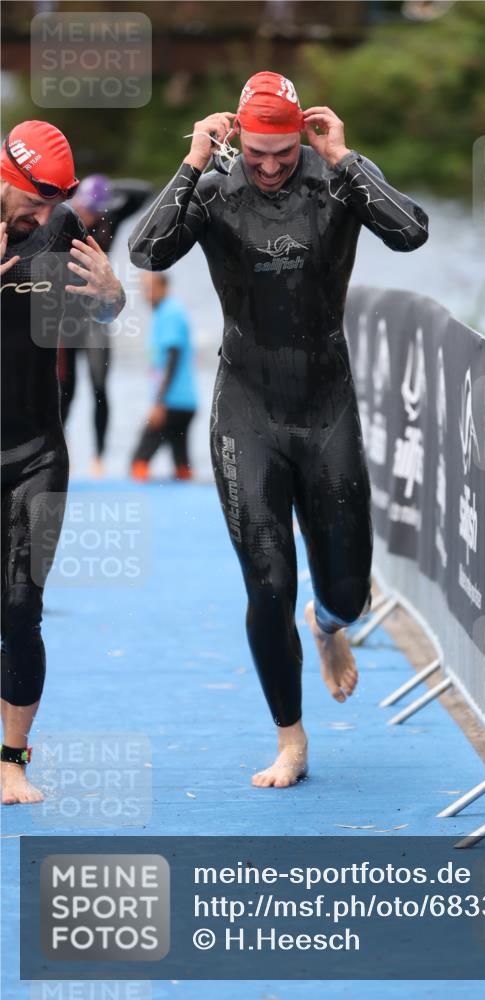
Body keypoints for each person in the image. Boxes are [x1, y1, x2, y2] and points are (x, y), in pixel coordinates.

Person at [129, 71, 429, 788]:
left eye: (282, 153)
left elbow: (412, 232)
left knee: (349, 592)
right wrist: (194, 159)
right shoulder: (211, 189)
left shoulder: (338, 182)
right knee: (265, 586)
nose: (267, 167)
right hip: (248, 411)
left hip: (326, 407)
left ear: (304, 135)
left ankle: (326, 629)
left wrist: (347, 158)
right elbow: (146, 253)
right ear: (236, 134)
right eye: (255, 152)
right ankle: (290, 740)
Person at [1, 121, 125, 804]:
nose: (45, 217)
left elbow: (106, 312)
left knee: (21, 608)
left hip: (38, 453)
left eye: (57, 202)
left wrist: (112, 296)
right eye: (34, 200)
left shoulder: (66, 228)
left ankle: (11, 758)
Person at [58, 174, 153, 477]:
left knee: (100, 387)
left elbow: (144, 190)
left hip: (96, 315)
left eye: (93, 208)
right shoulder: (63, 219)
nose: (89, 214)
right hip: (65, 317)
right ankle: (62, 448)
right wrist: (74, 194)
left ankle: (99, 458)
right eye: (85, 206)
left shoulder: (107, 218)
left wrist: (103, 187)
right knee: (66, 389)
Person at [130, 271, 198, 481]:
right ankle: (188, 498)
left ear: (164, 287)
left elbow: (173, 359)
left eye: (150, 288)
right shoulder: (164, 312)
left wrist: (159, 402)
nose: (146, 293)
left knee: (139, 461)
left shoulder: (170, 313)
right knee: (181, 462)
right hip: (182, 402)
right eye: (143, 288)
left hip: (172, 402)